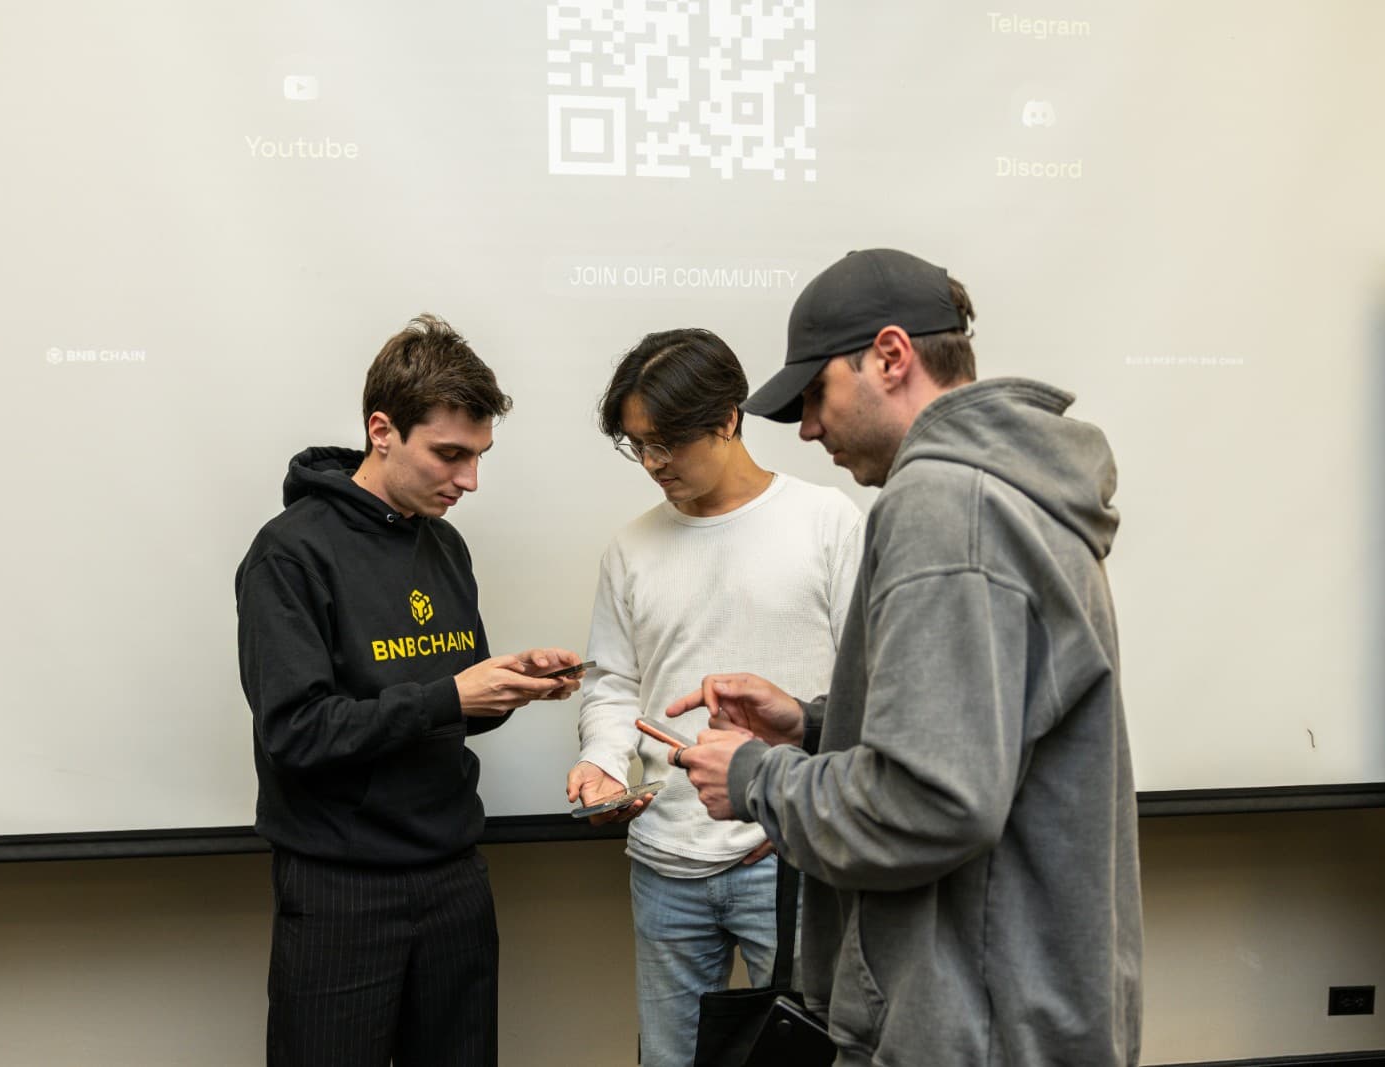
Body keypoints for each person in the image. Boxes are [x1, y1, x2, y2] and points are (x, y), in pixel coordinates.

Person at [666, 250, 1144, 1065]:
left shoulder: (944, 503)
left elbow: (933, 800)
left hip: (971, 1029)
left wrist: (753, 776)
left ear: (891, 356)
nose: (809, 428)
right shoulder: (1009, 487)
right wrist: (817, 726)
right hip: (1022, 1012)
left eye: (816, 394)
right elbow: (986, 733)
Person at [235, 313, 583, 1067]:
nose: (469, 481)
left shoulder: (444, 542)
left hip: (456, 875)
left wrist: (509, 685)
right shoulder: (290, 553)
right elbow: (296, 734)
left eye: (480, 456)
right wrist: (451, 697)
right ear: (382, 429)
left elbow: (451, 706)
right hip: (341, 887)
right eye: (450, 454)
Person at [564, 328, 862, 1066]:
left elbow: (869, 691)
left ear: (728, 419)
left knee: (814, 1057)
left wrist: (787, 782)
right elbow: (613, 683)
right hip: (664, 863)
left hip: (792, 859)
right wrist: (605, 761)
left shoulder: (827, 523)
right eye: (639, 445)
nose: (654, 464)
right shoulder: (631, 547)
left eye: (667, 442)